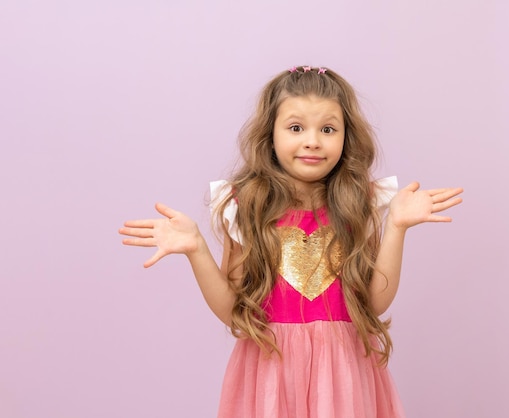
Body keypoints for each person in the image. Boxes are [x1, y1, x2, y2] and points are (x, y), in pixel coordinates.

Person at [119, 65, 463, 417]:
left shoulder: (359, 204)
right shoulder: (246, 208)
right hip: (271, 374)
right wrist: (197, 249)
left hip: (344, 375)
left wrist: (396, 228)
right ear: (271, 135)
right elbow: (236, 313)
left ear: (347, 137)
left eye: (328, 129)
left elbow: (373, 304)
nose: (312, 140)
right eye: (296, 128)